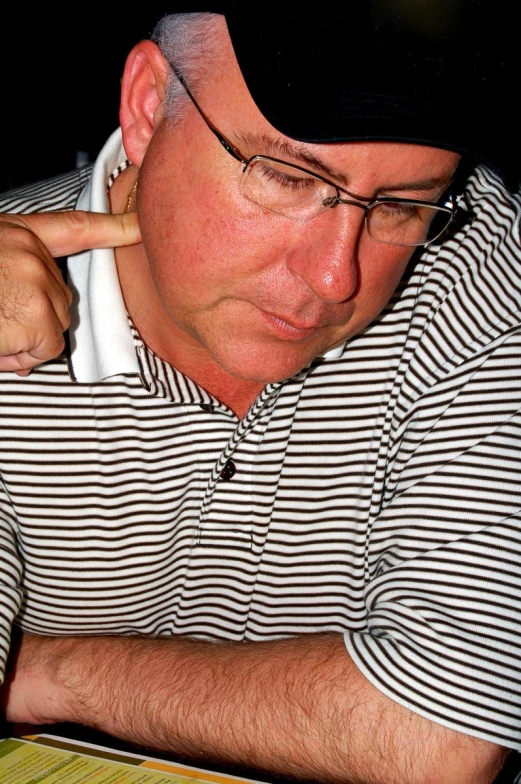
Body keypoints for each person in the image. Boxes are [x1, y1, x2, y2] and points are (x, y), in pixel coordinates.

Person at [0, 2, 520, 782]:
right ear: (147, 104)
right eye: (284, 175)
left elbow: (439, 740)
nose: (332, 275)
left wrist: (47, 673)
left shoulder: (476, 267)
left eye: (403, 204)